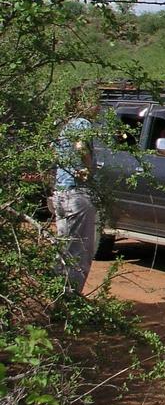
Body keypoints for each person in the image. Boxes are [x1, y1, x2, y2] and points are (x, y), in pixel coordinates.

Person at [52, 86, 99, 293]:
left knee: (64, 245)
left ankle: (57, 291)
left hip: (60, 191)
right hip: (76, 193)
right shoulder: (82, 123)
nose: (98, 106)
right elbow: (81, 147)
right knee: (79, 248)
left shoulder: (65, 125)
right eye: (95, 101)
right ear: (83, 104)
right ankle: (70, 297)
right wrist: (88, 168)